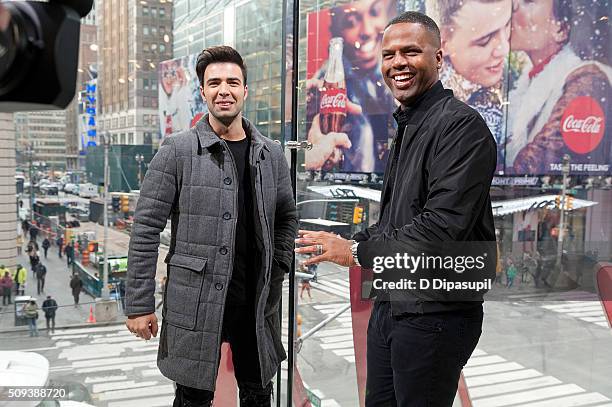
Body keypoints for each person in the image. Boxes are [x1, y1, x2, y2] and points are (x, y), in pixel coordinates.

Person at [295, 11, 497, 405]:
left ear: (438, 58)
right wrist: (345, 241)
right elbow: (396, 223)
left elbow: (440, 230)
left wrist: (355, 252)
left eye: (411, 51)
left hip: (435, 315)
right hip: (394, 305)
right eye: (389, 55)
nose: (397, 63)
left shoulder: (461, 127)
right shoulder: (409, 124)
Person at [124, 45, 298, 407]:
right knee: (193, 397)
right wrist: (139, 305)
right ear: (202, 91)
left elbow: (286, 217)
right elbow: (145, 228)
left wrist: (279, 264)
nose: (224, 90)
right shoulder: (177, 150)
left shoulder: (271, 154)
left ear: (245, 90)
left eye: (233, 82)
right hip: (197, 301)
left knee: (258, 393)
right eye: (214, 82)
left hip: (256, 302)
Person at [506, 0, 612, 173]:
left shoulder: (586, 80)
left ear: (561, 29)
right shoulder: (526, 84)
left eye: (528, 2)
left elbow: (535, 166)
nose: (514, 7)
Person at [305, 0, 397, 173]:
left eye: (375, 12)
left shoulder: (392, 80)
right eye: (351, 22)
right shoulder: (325, 82)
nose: (367, 31)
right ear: (337, 31)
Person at [426, 0, 511, 169]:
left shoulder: (522, 84)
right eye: (485, 40)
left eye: (507, 27)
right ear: (443, 44)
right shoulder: (423, 105)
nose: (504, 48)